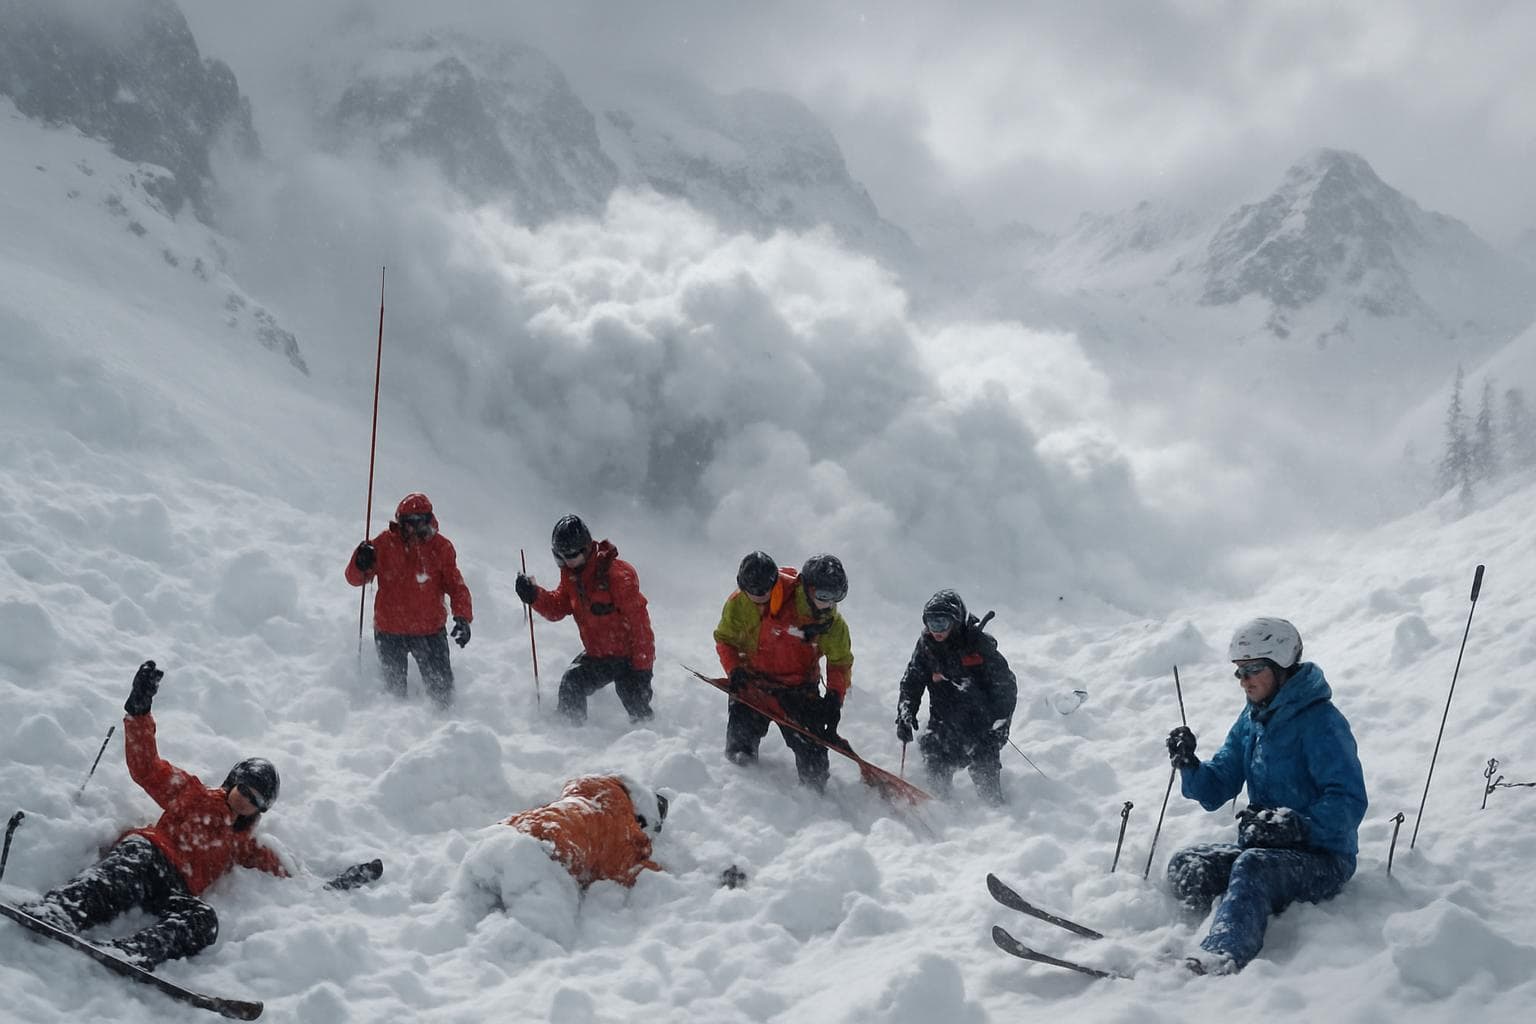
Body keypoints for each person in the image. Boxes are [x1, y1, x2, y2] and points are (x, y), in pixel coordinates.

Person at [21, 662, 355, 969]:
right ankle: (59, 910)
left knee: (204, 920)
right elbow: (146, 768)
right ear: (232, 781)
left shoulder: (243, 844)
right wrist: (139, 711)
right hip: (151, 857)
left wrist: (336, 883)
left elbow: (287, 871)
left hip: (174, 890)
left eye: (255, 801)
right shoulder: (192, 793)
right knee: (123, 873)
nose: (246, 802)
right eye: (245, 790)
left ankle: (134, 952)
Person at [1163, 618, 1368, 975]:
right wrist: (1190, 765)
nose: (1244, 681)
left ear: (1282, 667)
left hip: (1323, 858)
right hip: (1267, 851)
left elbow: (1349, 801)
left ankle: (1222, 954)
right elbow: (1219, 785)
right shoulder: (1252, 719)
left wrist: (1296, 827)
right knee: (1188, 864)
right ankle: (1195, 928)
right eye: (1239, 672)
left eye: (1253, 669)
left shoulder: (1322, 722)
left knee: (1253, 866)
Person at [712, 551, 854, 792]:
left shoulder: (833, 624)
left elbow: (839, 661)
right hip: (752, 684)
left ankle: (815, 801)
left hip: (799, 692)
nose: (829, 603)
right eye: (823, 596)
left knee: (814, 769)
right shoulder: (746, 600)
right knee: (739, 752)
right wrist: (734, 671)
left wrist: (834, 697)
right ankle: (742, 795)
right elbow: (725, 639)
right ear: (807, 588)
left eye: (836, 597)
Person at [515, 515, 655, 725]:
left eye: (571, 556)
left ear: (586, 548)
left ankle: (651, 739)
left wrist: (642, 669)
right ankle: (569, 732)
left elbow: (640, 624)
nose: (566, 562)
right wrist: (534, 595)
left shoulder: (616, 577)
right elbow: (558, 608)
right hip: (598, 653)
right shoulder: (571, 574)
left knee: (636, 704)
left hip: (626, 655)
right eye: (560, 557)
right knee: (572, 683)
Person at [346, 492, 473, 708]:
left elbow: (456, 586)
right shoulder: (383, 544)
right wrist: (360, 561)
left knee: (443, 696)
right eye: (407, 523)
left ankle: (445, 732)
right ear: (399, 522)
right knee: (393, 697)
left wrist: (462, 617)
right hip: (389, 632)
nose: (412, 529)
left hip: (430, 632)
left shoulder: (441, 548)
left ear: (428, 521)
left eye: (418, 523)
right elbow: (355, 579)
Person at [893, 589, 1017, 805]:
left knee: (985, 771)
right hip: (943, 721)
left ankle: (996, 814)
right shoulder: (926, 647)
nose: (936, 630)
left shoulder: (977, 645)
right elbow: (911, 681)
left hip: (981, 725)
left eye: (942, 623)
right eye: (931, 623)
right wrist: (906, 712)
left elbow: (1005, 686)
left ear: (956, 621)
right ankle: (941, 808)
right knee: (933, 754)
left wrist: (1000, 723)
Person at [502, 774, 666, 888]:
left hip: (518, 824)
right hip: (555, 845)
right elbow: (625, 871)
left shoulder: (588, 790)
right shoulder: (621, 829)